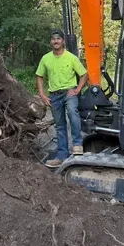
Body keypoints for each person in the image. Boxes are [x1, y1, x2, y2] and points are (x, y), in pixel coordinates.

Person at [36, 30, 88, 168]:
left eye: (58, 39)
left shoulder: (71, 58)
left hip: (69, 93)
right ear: (50, 42)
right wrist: (42, 93)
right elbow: (39, 76)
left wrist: (77, 89)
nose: (56, 41)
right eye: (53, 39)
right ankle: (61, 156)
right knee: (60, 126)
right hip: (54, 95)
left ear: (63, 41)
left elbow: (84, 74)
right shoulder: (46, 59)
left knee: (72, 112)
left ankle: (77, 145)